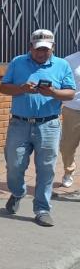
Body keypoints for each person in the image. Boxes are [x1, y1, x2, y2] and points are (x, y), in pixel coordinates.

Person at [0, 29, 75, 227]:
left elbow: (70, 93)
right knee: (14, 165)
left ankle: (42, 209)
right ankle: (18, 192)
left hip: (49, 125)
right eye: (38, 49)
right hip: (19, 124)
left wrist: (53, 93)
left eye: (46, 50)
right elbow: (3, 87)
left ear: (53, 48)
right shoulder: (17, 62)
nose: (42, 53)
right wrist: (22, 88)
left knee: (46, 168)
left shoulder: (62, 65)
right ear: (30, 47)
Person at [59, 48, 80, 188]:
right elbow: (61, 83)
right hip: (73, 108)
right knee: (67, 146)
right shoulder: (69, 60)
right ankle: (68, 171)